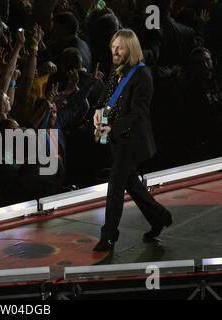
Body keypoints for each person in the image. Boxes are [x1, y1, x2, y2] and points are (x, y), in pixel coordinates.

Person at [92, 29, 172, 252]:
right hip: (116, 136)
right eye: (113, 47)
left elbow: (138, 114)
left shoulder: (142, 75)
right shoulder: (116, 69)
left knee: (116, 184)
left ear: (131, 49)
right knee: (132, 184)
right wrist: (98, 111)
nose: (114, 51)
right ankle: (160, 216)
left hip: (132, 140)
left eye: (119, 47)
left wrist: (112, 127)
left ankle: (109, 236)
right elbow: (107, 96)